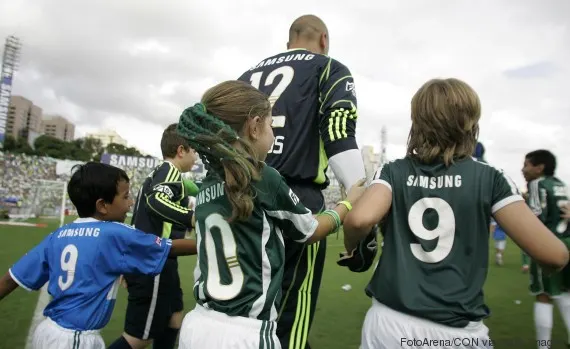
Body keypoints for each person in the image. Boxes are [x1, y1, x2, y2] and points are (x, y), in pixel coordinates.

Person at [340, 78, 569, 349]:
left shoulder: (393, 170)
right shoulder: (490, 178)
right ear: (471, 121)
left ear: (417, 120)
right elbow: (555, 256)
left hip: (388, 323)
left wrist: (354, 248)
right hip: (456, 333)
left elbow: (358, 219)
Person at [174, 79, 365, 348]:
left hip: (197, 326)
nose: (272, 135)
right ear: (254, 126)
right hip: (247, 332)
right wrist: (346, 205)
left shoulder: (207, 184)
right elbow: (311, 231)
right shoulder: (264, 178)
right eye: (271, 125)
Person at [237, 14, 371, 349]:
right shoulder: (329, 68)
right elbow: (339, 135)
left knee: (247, 313)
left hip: (239, 197)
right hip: (297, 201)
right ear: (323, 40)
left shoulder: (245, 77)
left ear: (288, 41)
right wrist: (359, 204)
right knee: (290, 325)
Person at [0, 162, 197, 349]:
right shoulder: (114, 233)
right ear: (102, 205)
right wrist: (211, 242)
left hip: (47, 332)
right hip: (76, 337)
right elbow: (168, 248)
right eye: (125, 196)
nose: (131, 203)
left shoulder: (57, 235)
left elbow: (11, 279)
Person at [109, 124, 198, 349]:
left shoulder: (164, 174)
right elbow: (156, 202)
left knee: (174, 317)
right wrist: (192, 218)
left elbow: (192, 187)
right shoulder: (169, 172)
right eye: (194, 149)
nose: (196, 155)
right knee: (140, 337)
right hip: (152, 260)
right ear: (181, 150)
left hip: (158, 259)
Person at [522, 149, 570, 348]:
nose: (523, 169)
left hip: (548, 246)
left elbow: (535, 220)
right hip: (567, 243)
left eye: (527, 165)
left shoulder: (536, 184)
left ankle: (544, 345)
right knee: (565, 293)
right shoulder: (561, 184)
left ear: (539, 168)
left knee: (543, 295)